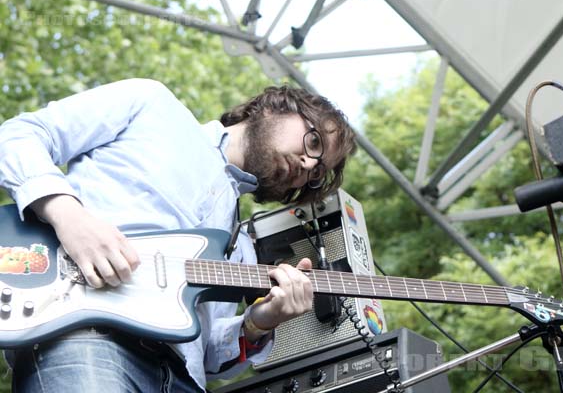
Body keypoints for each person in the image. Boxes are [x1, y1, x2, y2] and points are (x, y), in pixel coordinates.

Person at [0, 78, 356, 392]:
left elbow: (208, 352)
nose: (309, 165)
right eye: (313, 142)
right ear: (276, 106)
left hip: (181, 379)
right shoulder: (152, 103)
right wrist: (68, 215)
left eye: (316, 173)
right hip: (86, 340)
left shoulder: (239, 245)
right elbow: (17, 136)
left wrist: (260, 322)